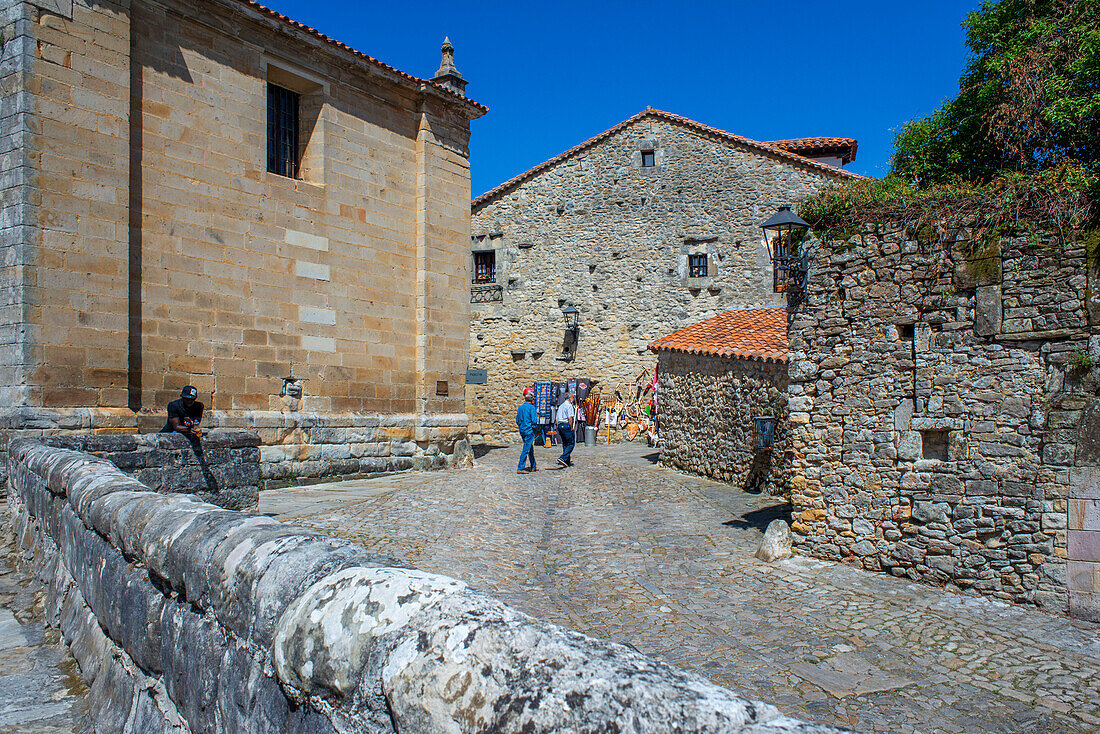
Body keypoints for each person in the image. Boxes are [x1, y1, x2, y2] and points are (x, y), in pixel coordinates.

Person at [515, 387, 538, 474]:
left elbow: (517, 420)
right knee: (526, 449)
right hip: (529, 430)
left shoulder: (520, 408)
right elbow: (534, 420)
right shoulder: (531, 407)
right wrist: (534, 428)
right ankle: (520, 467)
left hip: (522, 430)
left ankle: (533, 466)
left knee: (530, 448)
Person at [555, 393, 577, 468]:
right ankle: (563, 457)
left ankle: (566, 461)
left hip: (560, 425)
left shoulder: (561, 406)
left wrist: (558, 426)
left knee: (565, 443)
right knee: (571, 443)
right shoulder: (569, 406)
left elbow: (556, 418)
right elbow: (570, 418)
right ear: (569, 398)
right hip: (565, 425)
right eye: (572, 397)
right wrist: (571, 427)